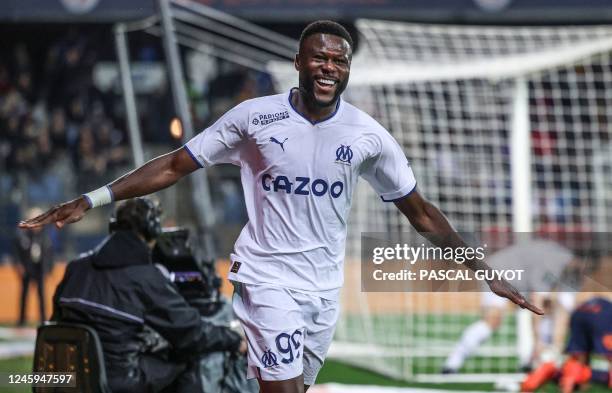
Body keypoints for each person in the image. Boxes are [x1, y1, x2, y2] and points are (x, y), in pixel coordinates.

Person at [20, 20, 542, 393]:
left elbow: (421, 212)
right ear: (298, 62)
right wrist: (94, 197)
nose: (328, 67)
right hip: (267, 276)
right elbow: (177, 164)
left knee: (284, 385)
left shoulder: (369, 137)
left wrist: (482, 271)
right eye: (319, 57)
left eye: (338, 61)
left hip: (322, 289)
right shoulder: (254, 118)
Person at [50, 198, 246, 393]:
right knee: (190, 356)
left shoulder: (76, 267)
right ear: (152, 231)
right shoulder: (145, 277)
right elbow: (191, 334)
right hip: (117, 382)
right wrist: (234, 339)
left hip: (67, 377)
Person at [443, 239, 577, 373]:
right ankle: (452, 363)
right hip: (499, 271)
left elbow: (563, 312)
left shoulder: (574, 272)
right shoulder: (553, 263)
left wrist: (557, 347)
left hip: (523, 278)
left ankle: (533, 362)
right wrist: (538, 343)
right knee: (492, 320)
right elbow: (537, 303)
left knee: (550, 309)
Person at [521, 296, 612, 393]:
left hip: (580, 311)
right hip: (601, 314)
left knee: (577, 358)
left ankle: (546, 374)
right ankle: (567, 375)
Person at [14, 207, 54, 325]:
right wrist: (19, 265)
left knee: (42, 294)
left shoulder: (46, 234)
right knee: (24, 294)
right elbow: (16, 252)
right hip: (27, 267)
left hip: (40, 267)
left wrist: (48, 269)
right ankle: (22, 320)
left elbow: (50, 253)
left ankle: (43, 319)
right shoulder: (22, 234)